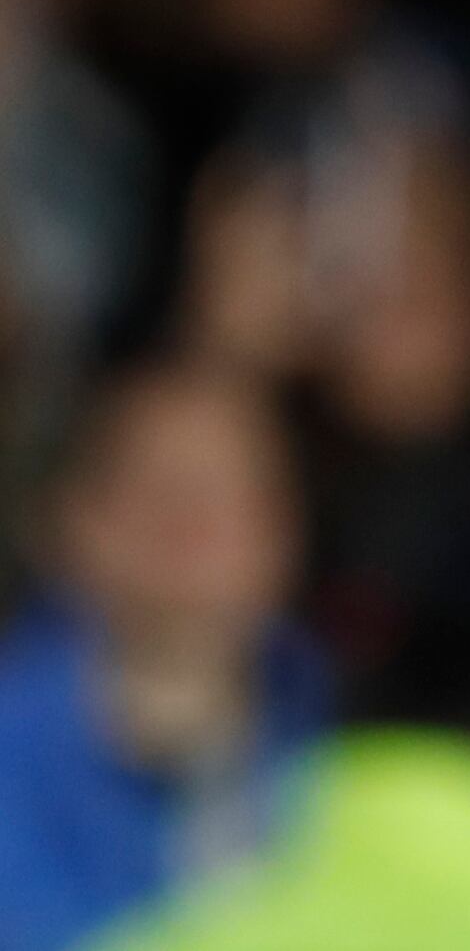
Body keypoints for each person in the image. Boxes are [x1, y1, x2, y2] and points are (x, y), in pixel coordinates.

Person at [0, 362, 326, 951]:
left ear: (285, 529)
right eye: (154, 488)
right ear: (71, 518)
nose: (190, 525)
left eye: (225, 493)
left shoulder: (361, 743)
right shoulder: (12, 760)